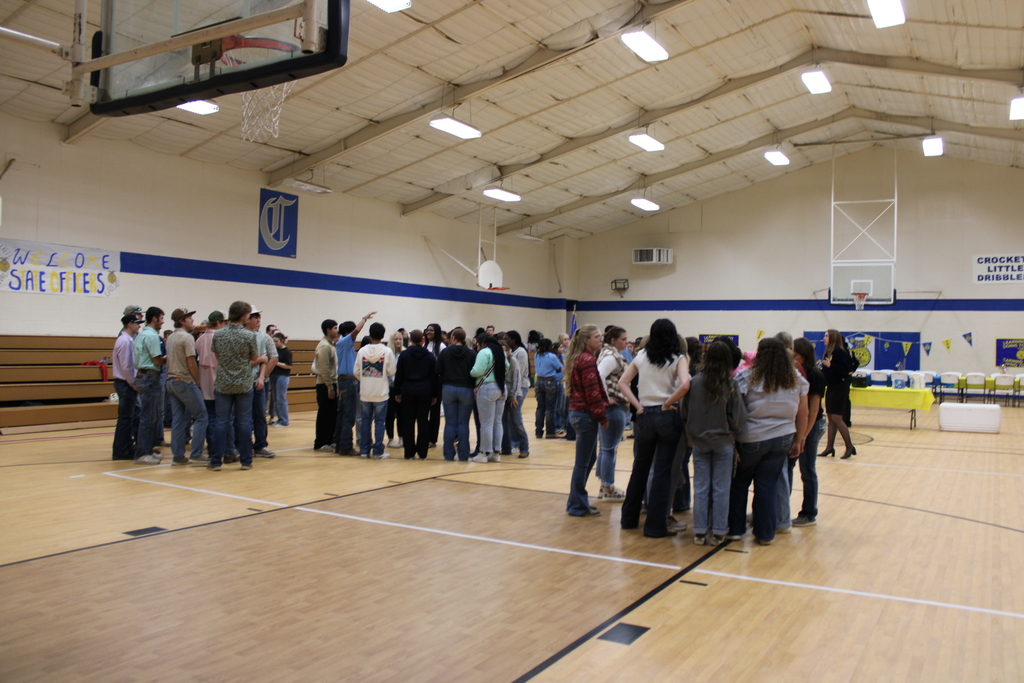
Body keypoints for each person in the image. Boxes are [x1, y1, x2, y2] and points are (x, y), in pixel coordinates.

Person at [727, 337, 808, 545]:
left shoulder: (747, 376)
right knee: (767, 486)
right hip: (783, 437)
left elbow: (736, 408)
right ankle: (765, 534)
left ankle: (735, 529)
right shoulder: (796, 378)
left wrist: (733, 437)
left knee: (740, 483)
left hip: (751, 437)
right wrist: (799, 439)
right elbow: (803, 412)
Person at [618, 319, 691, 537]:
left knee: (639, 469)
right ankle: (655, 525)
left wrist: (638, 405)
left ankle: (628, 519)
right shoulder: (679, 358)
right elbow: (686, 385)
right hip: (666, 416)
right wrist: (668, 403)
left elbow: (623, 383)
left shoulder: (640, 356)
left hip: (644, 416)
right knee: (662, 472)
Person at [685, 341, 747, 546]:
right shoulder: (730, 384)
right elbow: (737, 417)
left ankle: (700, 531)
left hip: (700, 441)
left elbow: (685, 412)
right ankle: (719, 530)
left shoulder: (694, 382)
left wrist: (691, 433)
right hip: (723, 441)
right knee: (721, 488)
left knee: (701, 487)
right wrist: (732, 431)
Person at [563, 325, 610, 516]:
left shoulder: (578, 358)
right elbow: (592, 393)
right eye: (597, 337)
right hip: (585, 415)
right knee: (583, 462)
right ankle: (577, 504)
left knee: (587, 459)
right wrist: (601, 416)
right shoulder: (588, 360)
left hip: (577, 413)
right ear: (586, 341)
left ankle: (575, 500)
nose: (601, 340)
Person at [210, 301, 261, 472]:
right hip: (244, 383)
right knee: (244, 423)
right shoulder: (249, 336)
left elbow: (217, 355)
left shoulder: (218, 334)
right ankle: (246, 460)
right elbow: (253, 358)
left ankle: (216, 460)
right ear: (243, 316)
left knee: (221, 422)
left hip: (223, 382)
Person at [789, 337, 826, 528]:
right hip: (796, 423)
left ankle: (809, 513)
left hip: (812, 425)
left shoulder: (815, 375)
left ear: (804, 357)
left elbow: (812, 410)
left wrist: (803, 436)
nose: (792, 360)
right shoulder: (791, 373)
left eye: (795, 356)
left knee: (807, 469)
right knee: (787, 467)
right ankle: (778, 509)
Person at [165, 308, 207, 466]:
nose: (192, 320)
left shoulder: (171, 338)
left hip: (171, 380)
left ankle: (178, 456)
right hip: (184, 380)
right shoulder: (187, 338)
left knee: (178, 419)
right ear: (182, 321)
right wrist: (197, 381)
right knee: (201, 415)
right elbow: (191, 362)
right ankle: (196, 453)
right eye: (189, 318)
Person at [595, 327, 629, 501]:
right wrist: (606, 398)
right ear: (614, 340)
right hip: (613, 408)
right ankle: (608, 488)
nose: (626, 342)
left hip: (612, 408)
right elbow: (599, 374)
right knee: (609, 449)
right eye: (623, 339)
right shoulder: (611, 356)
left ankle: (604, 487)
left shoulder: (608, 353)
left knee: (605, 449)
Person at [335, 312, 376, 456]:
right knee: (349, 415)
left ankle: (339, 444)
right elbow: (356, 330)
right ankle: (346, 446)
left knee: (342, 414)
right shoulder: (345, 342)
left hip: (345, 381)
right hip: (348, 381)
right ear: (347, 333)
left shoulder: (344, 345)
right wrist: (364, 319)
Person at [354, 322, 397, 459]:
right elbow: (392, 371)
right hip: (381, 393)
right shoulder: (387, 351)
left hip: (365, 393)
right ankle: (378, 451)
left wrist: (365, 379)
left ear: (370, 334)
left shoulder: (362, 351)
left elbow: (356, 371)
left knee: (365, 422)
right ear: (383, 335)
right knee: (379, 423)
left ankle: (365, 450)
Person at [395, 329, 439, 460]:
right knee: (423, 422)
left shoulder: (404, 355)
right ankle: (422, 452)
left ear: (410, 340)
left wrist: (397, 391)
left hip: (408, 389)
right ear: (422, 339)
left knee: (408, 422)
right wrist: (435, 395)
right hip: (425, 390)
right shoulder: (429, 355)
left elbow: (399, 375)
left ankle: (409, 452)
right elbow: (434, 377)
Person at [436, 327, 476, 461]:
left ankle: (448, 454)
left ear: (453, 338)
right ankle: (463, 455)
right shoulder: (471, 354)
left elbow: (438, 370)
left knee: (450, 423)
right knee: (463, 424)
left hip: (448, 388)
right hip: (466, 389)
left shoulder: (445, 352)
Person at [133, 306, 166, 464]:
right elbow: (157, 360)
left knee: (151, 416)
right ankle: (142, 453)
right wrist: (170, 357)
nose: (163, 322)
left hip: (142, 375)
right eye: (161, 318)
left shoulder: (141, 335)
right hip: (150, 377)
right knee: (148, 417)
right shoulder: (152, 336)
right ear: (154, 319)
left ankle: (147, 449)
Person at [819, 328, 858, 459]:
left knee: (837, 418)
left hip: (840, 387)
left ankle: (849, 446)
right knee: (830, 419)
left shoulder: (840, 352)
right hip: (831, 386)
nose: (824, 338)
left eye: (826, 336)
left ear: (833, 338)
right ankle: (829, 447)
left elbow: (846, 370)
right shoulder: (828, 352)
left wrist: (831, 366)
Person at [470, 334, 508, 463]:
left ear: (482, 342)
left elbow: (477, 371)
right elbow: (507, 367)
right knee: (498, 422)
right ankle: (496, 453)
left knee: (486, 422)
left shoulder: (484, 352)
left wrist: (470, 372)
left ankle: (484, 452)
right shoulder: (500, 352)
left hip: (487, 388)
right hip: (501, 387)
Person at [246, 309, 277, 458]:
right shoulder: (242, 336)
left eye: (259, 317)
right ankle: (243, 446)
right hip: (242, 382)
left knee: (259, 414)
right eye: (254, 317)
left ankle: (260, 445)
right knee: (242, 417)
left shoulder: (263, 337)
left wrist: (262, 377)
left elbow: (270, 358)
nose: (258, 320)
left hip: (258, 382)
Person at [195, 310, 226, 461]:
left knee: (209, 416)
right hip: (218, 381)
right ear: (218, 323)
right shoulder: (219, 338)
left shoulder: (200, 339)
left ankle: (211, 444)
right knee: (219, 417)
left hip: (204, 382)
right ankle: (218, 447)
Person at [111, 313, 141, 461]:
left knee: (127, 418)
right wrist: (134, 384)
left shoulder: (126, 340)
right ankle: (120, 450)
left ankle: (126, 446)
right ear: (130, 324)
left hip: (125, 383)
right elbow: (127, 366)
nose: (139, 325)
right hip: (125, 383)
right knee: (125, 419)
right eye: (137, 323)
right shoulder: (125, 341)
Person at [501, 330, 530, 458]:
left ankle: (524, 447)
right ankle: (507, 447)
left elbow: (519, 375)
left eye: (507, 338)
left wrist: (514, 395)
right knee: (505, 420)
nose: (506, 339)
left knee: (516, 420)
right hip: (507, 391)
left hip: (518, 389)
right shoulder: (508, 355)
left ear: (514, 339)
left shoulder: (520, 354)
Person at [314, 319, 340, 452]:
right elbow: (324, 369)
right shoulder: (324, 346)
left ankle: (329, 441)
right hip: (324, 385)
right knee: (325, 415)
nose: (337, 330)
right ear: (328, 330)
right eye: (335, 328)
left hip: (331, 384)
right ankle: (320, 442)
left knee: (331, 415)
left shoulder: (331, 345)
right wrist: (329, 387)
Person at [533, 338, 562, 440]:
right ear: (550, 346)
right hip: (550, 381)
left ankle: (538, 431)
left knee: (540, 408)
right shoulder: (552, 356)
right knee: (550, 409)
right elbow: (559, 368)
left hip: (539, 382)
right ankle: (550, 432)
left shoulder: (536, 355)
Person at [423, 323, 446, 447]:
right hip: (426, 380)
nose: (428, 332)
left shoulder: (441, 346)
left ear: (436, 332)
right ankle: (425, 436)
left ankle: (432, 439)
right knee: (425, 410)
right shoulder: (425, 345)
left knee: (435, 411)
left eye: (431, 330)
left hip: (437, 381)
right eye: (427, 330)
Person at [386, 331, 405, 449]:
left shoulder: (404, 352)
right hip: (389, 387)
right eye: (396, 339)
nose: (398, 341)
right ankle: (391, 438)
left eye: (400, 339)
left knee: (402, 414)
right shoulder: (387, 352)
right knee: (390, 414)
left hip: (401, 387)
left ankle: (402, 437)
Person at [270, 333, 291, 427]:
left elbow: (289, 366)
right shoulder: (274, 350)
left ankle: (284, 421)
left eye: (276, 341)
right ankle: (279, 419)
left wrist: (276, 363)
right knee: (275, 399)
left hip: (282, 376)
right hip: (273, 375)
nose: (274, 343)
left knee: (281, 398)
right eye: (273, 341)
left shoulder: (287, 351)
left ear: (282, 340)